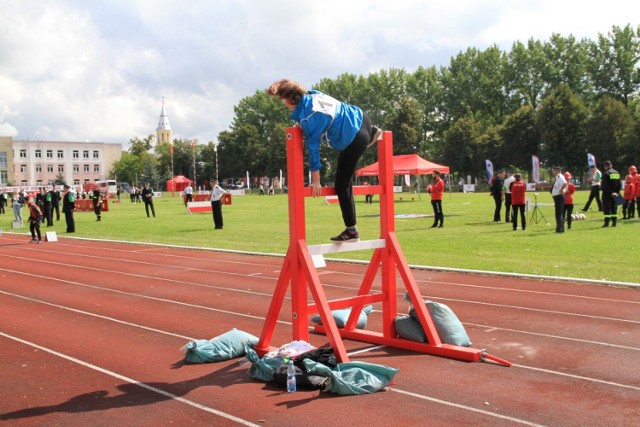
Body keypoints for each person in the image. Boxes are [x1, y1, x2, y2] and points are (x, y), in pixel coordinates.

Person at [267, 79, 382, 242]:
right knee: (347, 173)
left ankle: (352, 231)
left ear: (289, 100)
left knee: (342, 186)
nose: (282, 104)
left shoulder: (308, 119)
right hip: (363, 118)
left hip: (354, 138)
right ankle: (372, 133)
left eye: (281, 100)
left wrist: (316, 181)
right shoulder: (312, 94)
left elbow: (313, 148)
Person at [601, 160, 621, 228]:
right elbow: (619, 184)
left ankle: (606, 223)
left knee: (607, 208)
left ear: (605, 166)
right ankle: (614, 223)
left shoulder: (605, 173)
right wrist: (617, 192)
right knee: (614, 208)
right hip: (616, 194)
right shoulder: (616, 172)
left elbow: (604, 185)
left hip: (607, 194)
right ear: (611, 165)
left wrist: (611, 192)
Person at [550, 166, 567, 233]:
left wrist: (561, 190)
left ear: (557, 171)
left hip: (559, 196)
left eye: (553, 170)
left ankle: (559, 229)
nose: (552, 172)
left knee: (559, 213)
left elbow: (564, 183)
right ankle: (560, 229)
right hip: (557, 197)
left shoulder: (560, 176)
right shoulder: (558, 177)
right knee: (559, 213)